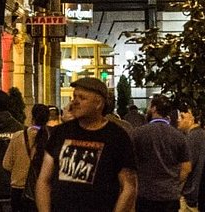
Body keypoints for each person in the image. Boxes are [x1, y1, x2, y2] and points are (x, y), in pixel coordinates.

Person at [36, 76, 137, 212]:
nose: (75, 102)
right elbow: (44, 180)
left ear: (98, 103)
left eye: (82, 98)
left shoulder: (117, 137)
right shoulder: (61, 132)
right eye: (74, 96)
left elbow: (129, 187)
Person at [131, 94, 190, 212]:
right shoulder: (179, 136)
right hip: (170, 197)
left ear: (154, 108)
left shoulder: (138, 133)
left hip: (145, 195)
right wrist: (173, 183)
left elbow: (131, 164)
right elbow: (186, 168)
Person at [4, 102, 50, 211]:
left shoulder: (18, 136)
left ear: (32, 116)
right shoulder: (50, 138)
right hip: (41, 192)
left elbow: (6, 164)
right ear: (47, 119)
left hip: (18, 190)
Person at [175, 101, 205, 212]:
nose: (178, 120)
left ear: (192, 118)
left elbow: (186, 169)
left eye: (182, 116)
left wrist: (175, 187)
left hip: (191, 198)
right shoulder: (204, 135)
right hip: (201, 195)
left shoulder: (193, 138)